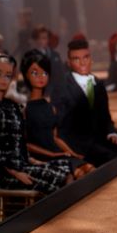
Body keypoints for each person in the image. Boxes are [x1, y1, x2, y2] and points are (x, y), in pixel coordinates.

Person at [0, 53, 72, 194]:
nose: (3, 79)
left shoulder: (13, 107)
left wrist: (34, 162)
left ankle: (63, 205)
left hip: (22, 165)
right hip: (3, 174)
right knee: (60, 177)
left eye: (8, 75)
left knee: (65, 165)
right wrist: (16, 173)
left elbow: (20, 145)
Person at [20, 50, 95, 179]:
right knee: (79, 174)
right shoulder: (24, 109)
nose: (40, 77)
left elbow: (55, 138)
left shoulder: (50, 106)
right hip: (42, 157)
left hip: (57, 152)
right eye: (34, 73)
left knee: (90, 169)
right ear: (26, 75)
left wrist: (71, 153)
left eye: (44, 73)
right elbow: (26, 144)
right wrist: (51, 155)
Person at [56, 38, 117, 167]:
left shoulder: (97, 83)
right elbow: (60, 126)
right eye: (76, 59)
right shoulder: (62, 87)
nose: (82, 63)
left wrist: (112, 132)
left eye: (85, 57)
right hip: (77, 146)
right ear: (69, 62)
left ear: (90, 58)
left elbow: (105, 116)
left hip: (100, 140)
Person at [31, 25, 66, 101]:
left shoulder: (55, 55)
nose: (42, 41)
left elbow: (61, 75)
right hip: (41, 95)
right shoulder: (31, 57)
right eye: (39, 38)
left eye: (44, 38)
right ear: (36, 40)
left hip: (57, 94)